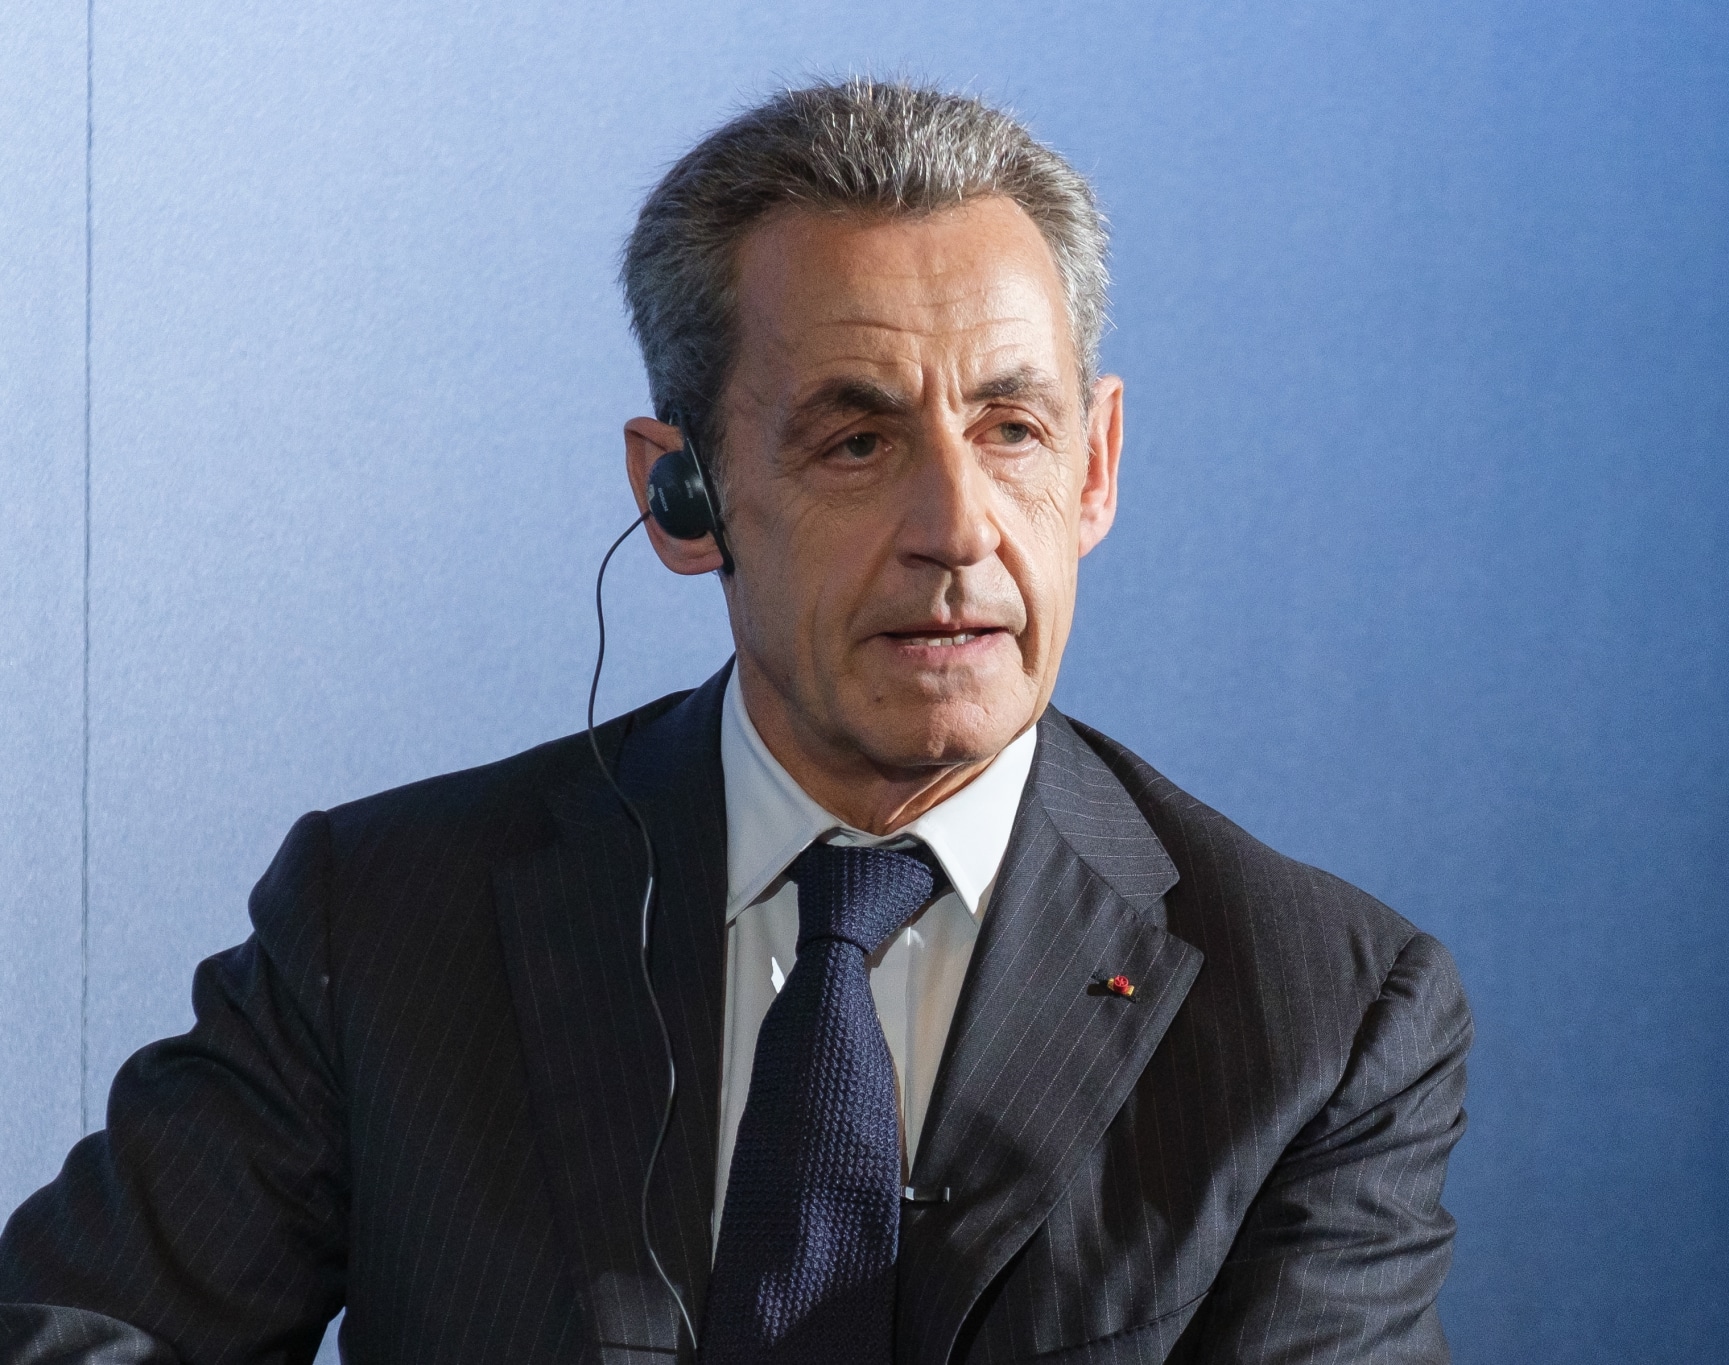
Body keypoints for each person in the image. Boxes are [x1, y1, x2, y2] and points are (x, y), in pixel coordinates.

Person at [0, 80, 1471, 1364]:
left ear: (1095, 469)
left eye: (1013, 429)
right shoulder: (384, 918)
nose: (959, 529)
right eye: (859, 439)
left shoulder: (1320, 1015)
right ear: (680, 494)